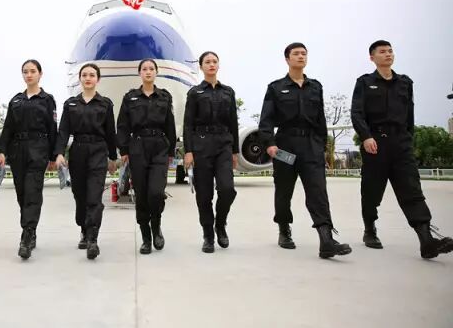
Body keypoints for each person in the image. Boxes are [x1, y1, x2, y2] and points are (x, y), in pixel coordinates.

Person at [351, 40, 453, 258]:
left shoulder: (405, 83)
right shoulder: (365, 82)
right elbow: (357, 113)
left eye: (390, 51)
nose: (388, 54)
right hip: (375, 144)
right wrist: (366, 137)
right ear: (372, 57)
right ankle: (370, 230)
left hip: (401, 144)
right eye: (382, 52)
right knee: (371, 192)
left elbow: (410, 115)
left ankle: (426, 240)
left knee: (412, 190)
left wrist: (408, 139)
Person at [258, 42, 351, 259]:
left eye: (304, 54)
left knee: (318, 192)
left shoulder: (315, 87)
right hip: (285, 147)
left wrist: (322, 146)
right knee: (284, 191)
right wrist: (269, 144)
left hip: (311, 146)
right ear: (287, 59)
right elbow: (266, 119)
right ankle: (284, 230)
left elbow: (321, 120)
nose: (301, 56)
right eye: (296, 54)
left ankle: (326, 239)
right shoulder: (276, 87)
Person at [54, 63, 117, 260]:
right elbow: (63, 130)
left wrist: (112, 157)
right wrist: (59, 153)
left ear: (98, 79)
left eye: (92, 75)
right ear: (80, 79)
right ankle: (83, 227)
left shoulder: (105, 104)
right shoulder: (71, 104)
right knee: (80, 196)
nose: (88, 78)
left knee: (94, 196)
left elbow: (110, 132)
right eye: (84, 75)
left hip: (98, 150)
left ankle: (92, 239)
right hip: (78, 151)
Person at [0, 59, 57, 260]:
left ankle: (27, 234)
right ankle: (31, 229)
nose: (29, 75)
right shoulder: (16, 100)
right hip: (17, 150)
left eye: (32, 71)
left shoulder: (47, 100)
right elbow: (7, 128)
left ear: (40, 74)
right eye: (25, 71)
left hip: (38, 149)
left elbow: (52, 129)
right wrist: (2, 151)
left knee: (32, 191)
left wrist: (53, 155)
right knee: (21, 193)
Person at [117, 58, 177, 254]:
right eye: (144, 69)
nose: (148, 72)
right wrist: (124, 150)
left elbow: (170, 125)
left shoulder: (165, 97)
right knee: (141, 195)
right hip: (138, 147)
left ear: (156, 72)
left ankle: (156, 226)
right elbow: (122, 125)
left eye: (151, 68)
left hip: (159, 147)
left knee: (156, 192)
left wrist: (171, 151)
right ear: (140, 73)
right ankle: (145, 236)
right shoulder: (130, 98)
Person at [183, 51, 239, 253]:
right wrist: (188, 151)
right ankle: (208, 234)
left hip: (224, 145)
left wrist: (235, 151)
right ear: (201, 67)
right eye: (207, 62)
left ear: (218, 65)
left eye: (214, 61)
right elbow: (188, 124)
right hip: (201, 145)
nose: (211, 64)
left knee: (227, 189)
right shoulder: (195, 93)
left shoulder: (228, 92)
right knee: (204, 195)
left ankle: (220, 224)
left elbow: (233, 122)